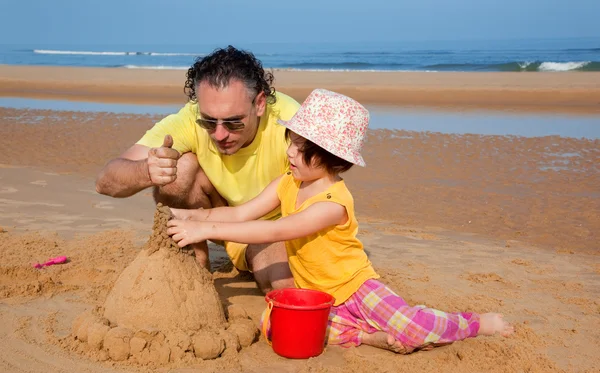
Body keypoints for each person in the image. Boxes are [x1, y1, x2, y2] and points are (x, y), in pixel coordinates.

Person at [165, 89, 514, 353]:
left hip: (356, 288)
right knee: (274, 325)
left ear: (332, 158)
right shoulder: (288, 182)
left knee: (410, 328)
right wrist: (193, 216)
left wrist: (205, 229)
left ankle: (473, 324)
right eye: (291, 141)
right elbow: (241, 213)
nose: (290, 152)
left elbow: (275, 230)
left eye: (302, 147)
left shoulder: (333, 204)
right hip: (317, 293)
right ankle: (366, 337)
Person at [95, 46, 299, 293]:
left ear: (259, 104)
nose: (220, 134)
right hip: (214, 216)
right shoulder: (188, 119)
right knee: (179, 167)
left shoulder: (291, 122)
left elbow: (320, 197)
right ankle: (194, 268)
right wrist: (147, 170)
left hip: (274, 228)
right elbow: (105, 181)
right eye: (209, 122)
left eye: (234, 122)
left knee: (285, 285)